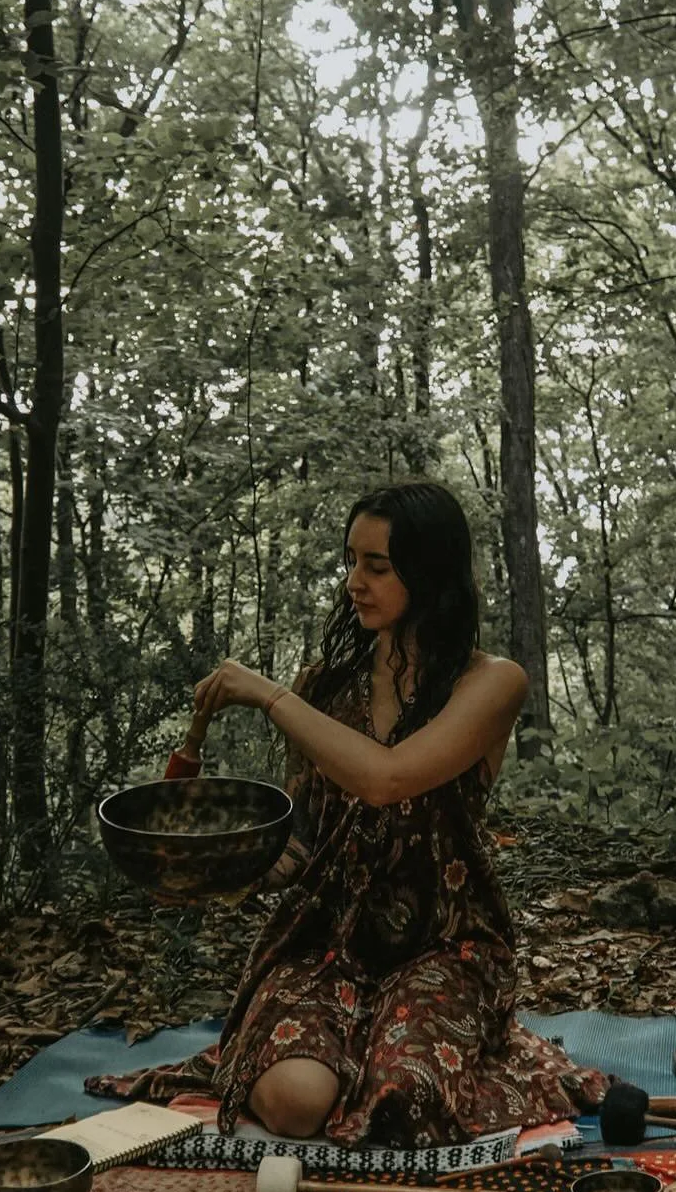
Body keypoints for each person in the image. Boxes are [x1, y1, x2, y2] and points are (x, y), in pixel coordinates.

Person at [88, 479, 603, 1144]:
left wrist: (268, 696)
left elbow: (387, 779)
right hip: (326, 938)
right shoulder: (322, 686)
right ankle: (339, 1044)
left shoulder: (492, 682)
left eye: (377, 566)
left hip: (444, 941)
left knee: (406, 1097)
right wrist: (211, 872)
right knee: (295, 1103)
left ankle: (393, 1044)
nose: (354, 582)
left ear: (431, 572)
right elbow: (304, 842)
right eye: (351, 561)